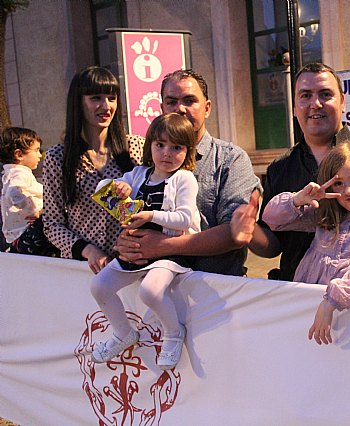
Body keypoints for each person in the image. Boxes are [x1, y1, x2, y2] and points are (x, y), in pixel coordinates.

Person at [231, 62, 350, 308]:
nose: (315, 104)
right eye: (305, 96)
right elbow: (273, 243)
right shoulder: (280, 168)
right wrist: (249, 230)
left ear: (342, 101)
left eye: (325, 94)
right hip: (297, 300)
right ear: (295, 107)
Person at [115, 69, 261, 276]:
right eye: (171, 102)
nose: (180, 109)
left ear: (207, 108)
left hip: (213, 291)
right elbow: (133, 216)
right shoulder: (149, 163)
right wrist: (127, 243)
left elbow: (233, 232)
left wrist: (165, 245)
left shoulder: (230, 159)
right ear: (162, 108)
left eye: (189, 100)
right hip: (150, 289)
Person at [90, 113, 199, 370]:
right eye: (160, 145)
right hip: (136, 252)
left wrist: (151, 215)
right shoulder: (138, 174)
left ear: (188, 151)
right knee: (99, 287)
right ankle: (123, 333)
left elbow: (184, 218)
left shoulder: (184, 179)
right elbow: (102, 190)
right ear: (149, 145)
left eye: (176, 147)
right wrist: (117, 187)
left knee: (150, 291)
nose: (167, 153)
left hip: (171, 253)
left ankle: (173, 333)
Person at [262, 142, 350, 344]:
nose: (348, 190)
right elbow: (272, 219)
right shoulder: (324, 217)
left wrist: (330, 301)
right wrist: (298, 199)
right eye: (339, 183)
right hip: (306, 306)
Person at [43, 66, 144, 273]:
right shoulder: (57, 158)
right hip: (83, 269)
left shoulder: (136, 147)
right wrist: (87, 250)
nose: (106, 106)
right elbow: (52, 223)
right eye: (96, 97)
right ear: (79, 102)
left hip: (134, 264)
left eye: (111, 98)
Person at [0, 127, 58, 256]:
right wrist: (33, 208)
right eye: (36, 150)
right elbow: (13, 193)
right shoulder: (18, 174)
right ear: (19, 155)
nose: (40, 155)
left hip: (20, 237)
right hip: (27, 235)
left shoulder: (13, 173)